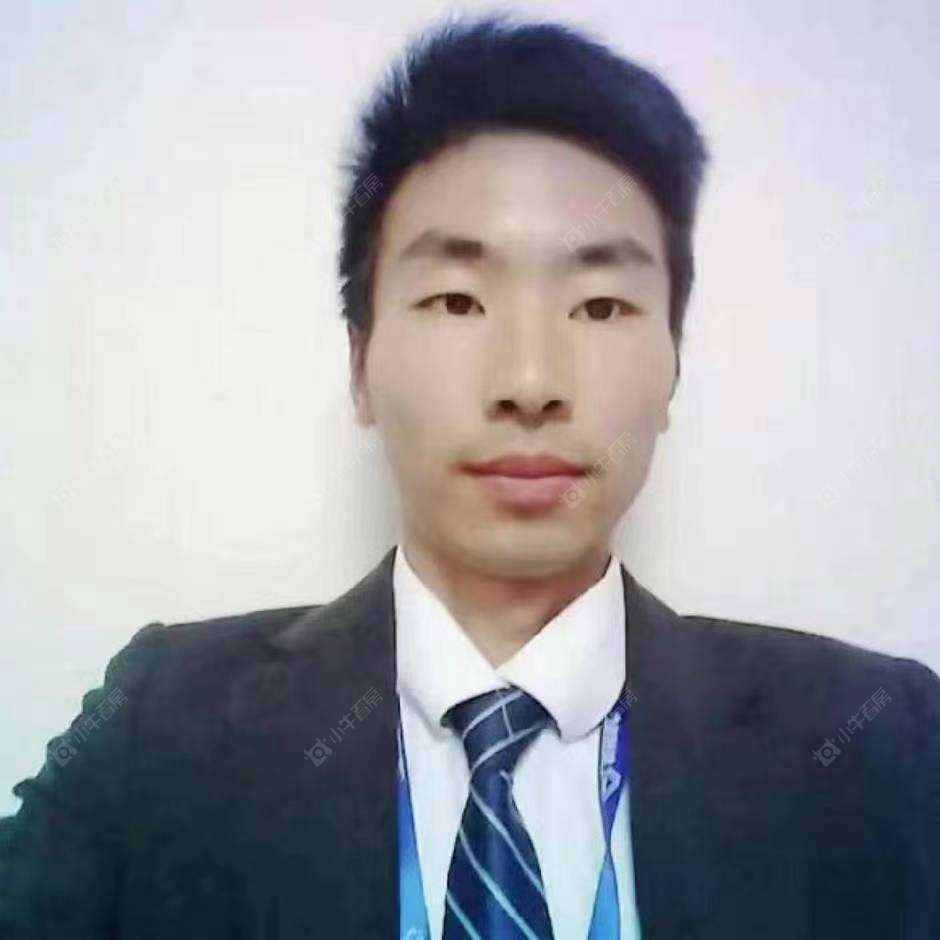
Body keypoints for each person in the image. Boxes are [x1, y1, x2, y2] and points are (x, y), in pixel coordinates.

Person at [2, 11, 938, 940]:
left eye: (600, 305)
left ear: (673, 366)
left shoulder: (885, 740)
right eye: (456, 300)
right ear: (360, 364)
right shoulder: (162, 726)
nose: (528, 383)